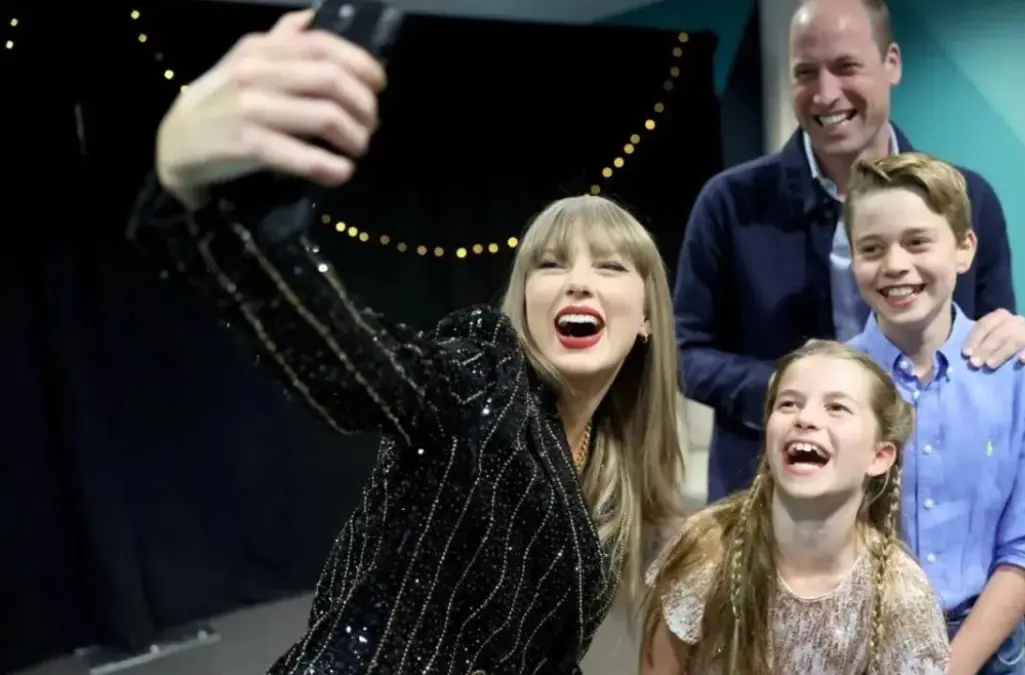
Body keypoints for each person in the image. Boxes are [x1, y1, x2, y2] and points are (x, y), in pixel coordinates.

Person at [128, 11, 685, 675]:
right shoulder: (483, 378)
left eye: (610, 266)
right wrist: (196, 197)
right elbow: (349, 362)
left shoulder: (608, 465)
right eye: (551, 263)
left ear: (647, 316)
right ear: (523, 297)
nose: (577, 284)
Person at [673, 0, 1025, 502]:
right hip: (767, 495)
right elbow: (686, 354)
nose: (826, 94)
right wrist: (803, 395)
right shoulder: (728, 203)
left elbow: (987, 340)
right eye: (806, 73)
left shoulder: (969, 199)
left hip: (927, 496)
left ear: (891, 63)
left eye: (846, 66)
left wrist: (1012, 341)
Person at [845, 152, 1025, 675]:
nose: (895, 264)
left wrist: (952, 667)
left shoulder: (1024, 376)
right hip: (860, 647)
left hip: (988, 650)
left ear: (965, 248)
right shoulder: (833, 379)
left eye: (918, 241)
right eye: (871, 248)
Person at [640, 340, 949, 675]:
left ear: (879, 456)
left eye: (837, 408)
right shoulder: (708, 550)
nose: (805, 418)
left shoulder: (901, 595)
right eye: (788, 404)